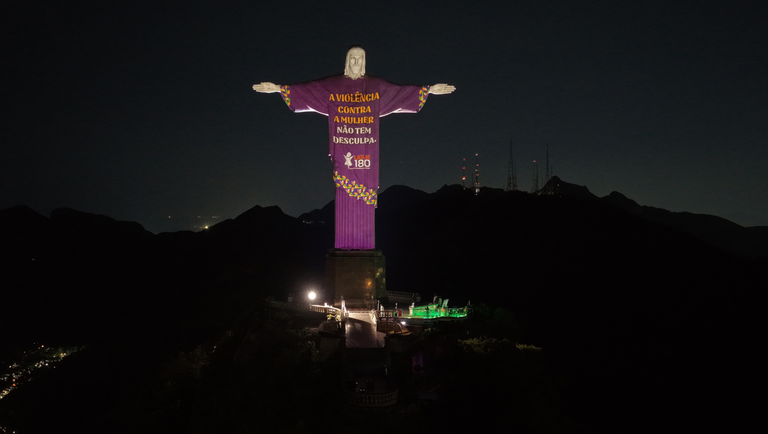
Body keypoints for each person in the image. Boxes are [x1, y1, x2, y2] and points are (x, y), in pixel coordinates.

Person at [253, 46, 455, 250]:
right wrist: (279, 88)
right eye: (353, 58)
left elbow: (399, 93)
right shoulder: (333, 85)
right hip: (344, 150)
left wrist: (427, 90)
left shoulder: (375, 86)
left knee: (364, 201)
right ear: (347, 61)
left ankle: (364, 246)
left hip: (366, 154)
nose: (356, 62)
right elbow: (309, 90)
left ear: (364, 61)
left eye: (360, 58)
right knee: (344, 196)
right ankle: (344, 247)